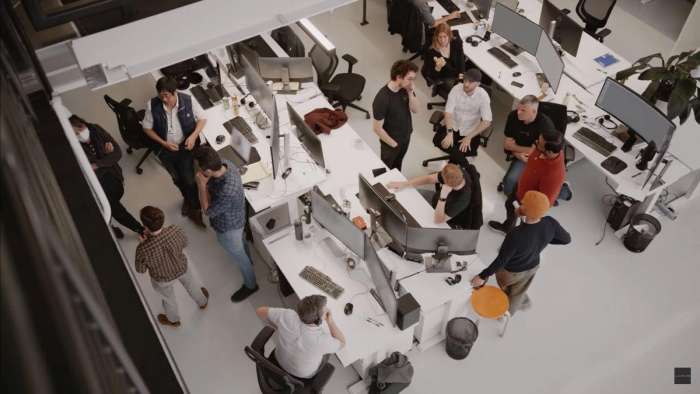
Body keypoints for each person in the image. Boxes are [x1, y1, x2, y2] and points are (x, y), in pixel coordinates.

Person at [471, 191, 571, 315]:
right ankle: (509, 312)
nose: (520, 204)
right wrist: (546, 239)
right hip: (533, 266)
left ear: (526, 210)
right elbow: (567, 239)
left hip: (511, 272)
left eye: (523, 204)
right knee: (518, 293)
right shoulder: (551, 222)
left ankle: (502, 307)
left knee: (507, 290)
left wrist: (482, 276)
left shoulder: (516, 234)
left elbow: (501, 260)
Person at [193, 146, 258, 302]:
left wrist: (201, 186)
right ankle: (249, 259)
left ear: (207, 171)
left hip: (229, 227)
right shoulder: (225, 163)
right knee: (241, 243)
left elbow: (207, 211)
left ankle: (251, 285)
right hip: (238, 217)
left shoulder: (226, 191)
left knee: (239, 256)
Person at [142, 76, 207, 228]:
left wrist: (193, 136)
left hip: (185, 148)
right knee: (177, 179)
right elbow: (146, 128)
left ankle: (195, 208)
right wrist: (164, 143)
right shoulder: (152, 105)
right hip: (166, 150)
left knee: (189, 180)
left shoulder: (188, 100)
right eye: (161, 95)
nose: (164, 99)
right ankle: (187, 199)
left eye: (167, 95)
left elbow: (202, 119)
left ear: (175, 92)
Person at [69, 115, 144, 239]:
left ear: (84, 123)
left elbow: (117, 153)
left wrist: (97, 164)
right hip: (97, 182)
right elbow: (84, 170)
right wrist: (106, 156)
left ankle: (125, 226)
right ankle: (136, 228)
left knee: (112, 204)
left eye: (81, 127)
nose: (81, 134)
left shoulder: (96, 129)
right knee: (110, 206)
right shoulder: (74, 147)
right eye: (76, 134)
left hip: (113, 174)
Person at [135, 206, 209, 327]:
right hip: (182, 268)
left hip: (162, 279)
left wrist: (144, 244)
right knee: (192, 285)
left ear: (145, 226)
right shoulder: (175, 230)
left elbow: (141, 270)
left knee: (168, 299)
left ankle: (173, 320)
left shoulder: (142, 249)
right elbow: (185, 243)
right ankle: (203, 302)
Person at [489, 129, 567, 234]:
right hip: (521, 186)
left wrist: (525, 209)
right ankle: (508, 227)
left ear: (549, 151)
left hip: (528, 200)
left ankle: (514, 237)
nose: (535, 142)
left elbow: (544, 201)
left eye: (538, 143)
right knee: (509, 205)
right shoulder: (543, 150)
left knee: (523, 224)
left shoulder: (555, 174)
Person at [256, 295, 345, 379]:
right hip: (302, 375)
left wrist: (278, 327)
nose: (327, 309)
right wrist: (330, 321)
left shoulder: (287, 315)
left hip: (279, 360)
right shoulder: (321, 340)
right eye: (325, 310)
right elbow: (342, 343)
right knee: (327, 354)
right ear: (318, 320)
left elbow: (259, 311)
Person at [387, 163, 476, 228]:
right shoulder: (458, 172)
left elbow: (438, 220)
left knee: (409, 222)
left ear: (447, 185)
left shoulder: (463, 199)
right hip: (435, 199)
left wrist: (443, 197)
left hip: (440, 214)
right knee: (405, 196)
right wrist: (404, 184)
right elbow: (429, 178)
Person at [499, 95, 556, 196]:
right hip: (521, 156)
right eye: (518, 108)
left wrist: (515, 147)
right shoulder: (513, 116)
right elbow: (507, 145)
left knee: (517, 182)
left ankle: (563, 190)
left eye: (523, 110)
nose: (518, 112)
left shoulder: (545, 127)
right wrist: (516, 153)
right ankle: (511, 198)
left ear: (534, 111)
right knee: (509, 182)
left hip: (539, 157)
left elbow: (536, 152)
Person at [372, 60, 421, 171]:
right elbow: (377, 129)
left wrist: (410, 93)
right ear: (399, 77)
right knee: (385, 169)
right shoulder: (382, 98)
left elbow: (416, 110)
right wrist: (394, 145)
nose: (412, 83)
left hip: (406, 137)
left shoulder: (406, 89)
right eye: (410, 79)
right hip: (391, 142)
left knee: (397, 167)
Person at [436, 68, 492, 161]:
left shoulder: (483, 96)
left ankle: (453, 168)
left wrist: (469, 137)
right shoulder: (456, 89)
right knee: (441, 142)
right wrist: (449, 133)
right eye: (465, 80)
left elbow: (487, 121)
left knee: (458, 153)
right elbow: (448, 112)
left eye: (470, 82)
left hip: (470, 131)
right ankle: (467, 168)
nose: (466, 84)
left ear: (478, 84)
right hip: (452, 126)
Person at [422, 23, 465, 96]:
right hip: (444, 76)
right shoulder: (431, 51)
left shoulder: (456, 42)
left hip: (456, 72)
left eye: (445, 37)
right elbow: (430, 75)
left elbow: (461, 60)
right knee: (460, 94)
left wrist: (461, 78)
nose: (442, 40)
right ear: (436, 37)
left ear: (449, 35)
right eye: (440, 37)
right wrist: (438, 67)